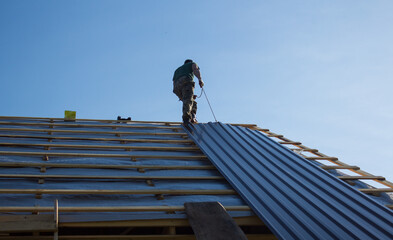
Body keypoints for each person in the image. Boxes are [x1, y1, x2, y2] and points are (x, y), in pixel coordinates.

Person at [172, 59, 204, 124]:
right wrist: (200, 80)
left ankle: (192, 117)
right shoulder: (192, 64)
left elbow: (174, 82)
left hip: (176, 87)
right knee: (188, 100)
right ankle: (186, 119)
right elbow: (195, 69)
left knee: (191, 101)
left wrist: (183, 96)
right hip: (186, 81)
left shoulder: (177, 70)